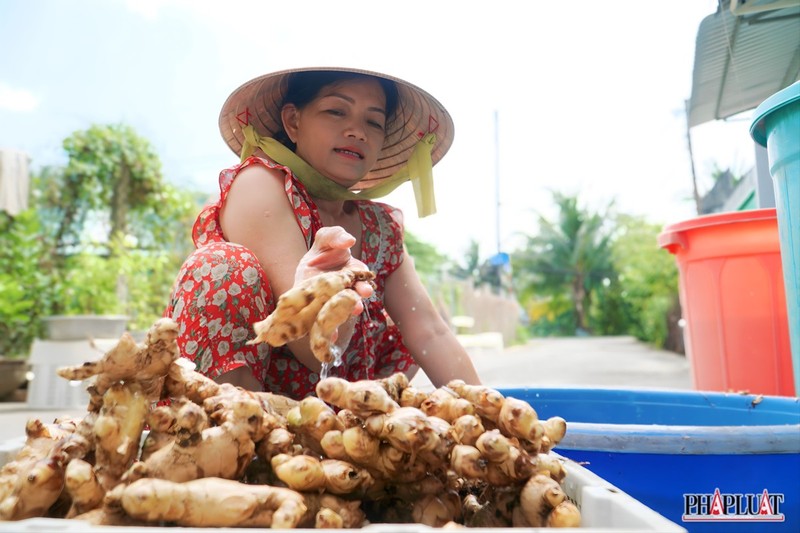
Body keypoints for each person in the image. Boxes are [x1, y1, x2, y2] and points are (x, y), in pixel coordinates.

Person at [165, 67, 481, 399]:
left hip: (329, 407)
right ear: (293, 122)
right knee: (224, 266)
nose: (357, 131)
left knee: (405, 319)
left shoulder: (380, 227)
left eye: (373, 122)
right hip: (248, 403)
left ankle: (357, 431)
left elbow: (430, 333)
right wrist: (317, 292)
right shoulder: (260, 186)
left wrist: (492, 416)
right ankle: (233, 435)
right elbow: (308, 346)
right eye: (336, 111)